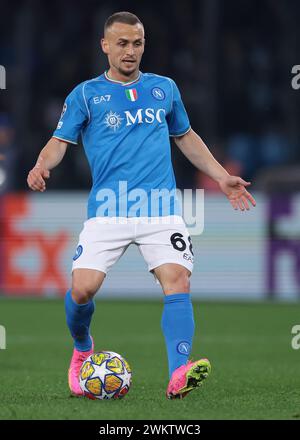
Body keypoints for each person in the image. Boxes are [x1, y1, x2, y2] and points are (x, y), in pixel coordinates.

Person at [27, 11, 256, 400]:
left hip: (161, 209)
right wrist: (40, 165)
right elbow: (59, 142)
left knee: (177, 281)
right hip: (109, 210)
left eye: (136, 43)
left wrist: (220, 176)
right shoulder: (85, 94)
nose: (130, 51)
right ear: (105, 46)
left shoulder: (164, 88)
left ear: (144, 44)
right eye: (121, 43)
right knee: (82, 290)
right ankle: (83, 348)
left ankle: (179, 371)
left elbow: (186, 137)